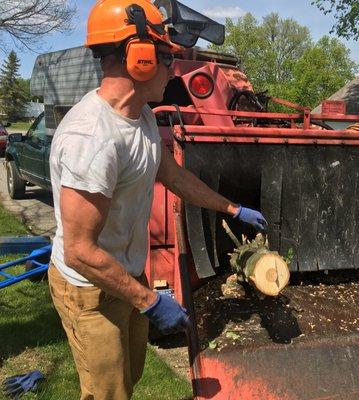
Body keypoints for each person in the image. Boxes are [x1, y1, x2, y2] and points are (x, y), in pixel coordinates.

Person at [47, 1, 267, 399]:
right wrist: (150, 301)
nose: (172, 68)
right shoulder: (92, 138)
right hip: (90, 290)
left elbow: (174, 175)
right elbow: (79, 250)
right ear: (140, 59)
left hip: (126, 275)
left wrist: (232, 209)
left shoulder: (141, 117)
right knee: (106, 393)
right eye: (166, 57)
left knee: (128, 379)